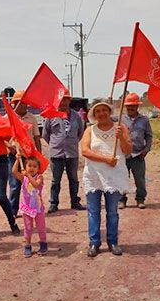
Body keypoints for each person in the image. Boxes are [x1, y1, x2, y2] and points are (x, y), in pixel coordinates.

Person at [81, 101, 132, 257]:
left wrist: (121, 137)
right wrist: (105, 159)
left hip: (113, 176)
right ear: (94, 115)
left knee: (112, 211)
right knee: (93, 211)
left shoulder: (121, 127)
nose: (102, 113)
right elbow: (85, 151)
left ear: (109, 112)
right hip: (94, 176)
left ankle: (113, 242)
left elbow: (128, 150)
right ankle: (94, 243)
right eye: (98, 111)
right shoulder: (90, 130)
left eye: (104, 110)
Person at [42, 89, 85, 213]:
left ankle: (75, 202)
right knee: (56, 180)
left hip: (72, 153)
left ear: (69, 101)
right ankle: (54, 203)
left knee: (74, 179)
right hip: (57, 154)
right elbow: (45, 134)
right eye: (61, 99)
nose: (63, 102)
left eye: (66, 99)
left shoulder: (76, 116)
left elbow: (80, 133)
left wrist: (71, 142)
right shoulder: (51, 116)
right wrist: (55, 144)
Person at [6, 90, 42, 218]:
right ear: (13, 103)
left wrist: (39, 155)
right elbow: (3, 138)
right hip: (14, 156)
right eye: (20, 103)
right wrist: (11, 148)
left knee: (31, 182)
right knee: (15, 184)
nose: (23, 106)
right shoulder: (7, 118)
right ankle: (13, 211)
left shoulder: (31, 118)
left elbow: (37, 137)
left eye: (25, 103)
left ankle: (32, 207)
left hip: (30, 155)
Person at [119, 92, 153, 209]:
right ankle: (122, 200)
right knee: (122, 179)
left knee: (140, 180)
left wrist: (147, 149)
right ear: (126, 107)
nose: (131, 108)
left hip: (139, 155)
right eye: (128, 106)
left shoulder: (144, 120)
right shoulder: (120, 119)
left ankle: (140, 199)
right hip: (124, 154)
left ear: (137, 106)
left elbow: (149, 136)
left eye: (133, 105)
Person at [12, 156, 47, 258]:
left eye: (35, 166)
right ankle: (27, 245)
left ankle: (43, 244)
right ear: (25, 166)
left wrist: (28, 175)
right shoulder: (24, 178)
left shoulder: (40, 177)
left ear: (38, 168)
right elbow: (14, 171)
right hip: (27, 207)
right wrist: (18, 160)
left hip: (38, 208)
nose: (32, 168)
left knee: (41, 227)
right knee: (28, 227)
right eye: (29, 166)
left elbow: (36, 185)